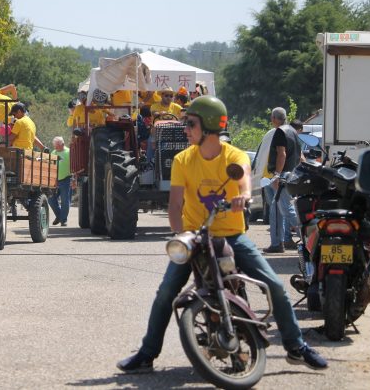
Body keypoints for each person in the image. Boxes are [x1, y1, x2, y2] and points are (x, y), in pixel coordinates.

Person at [116, 96, 328, 373]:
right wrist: (181, 235)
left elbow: (243, 181)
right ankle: (147, 353)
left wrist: (243, 197)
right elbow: (175, 205)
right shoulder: (182, 160)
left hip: (232, 236)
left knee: (275, 286)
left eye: (190, 124)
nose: (185, 129)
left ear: (209, 126)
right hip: (195, 237)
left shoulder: (234, 156)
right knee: (166, 291)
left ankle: (296, 346)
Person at [263, 107, 302, 253]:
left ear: (273, 118)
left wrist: (277, 175)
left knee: (286, 210)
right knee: (275, 210)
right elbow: (299, 155)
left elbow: (282, 154)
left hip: (283, 175)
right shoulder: (292, 131)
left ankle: (311, 236)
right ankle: (277, 244)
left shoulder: (280, 132)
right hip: (292, 174)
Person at [49, 137, 72, 227]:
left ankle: (63, 220)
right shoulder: (53, 153)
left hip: (66, 179)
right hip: (54, 180)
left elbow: (73, 166)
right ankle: (59, 216)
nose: (55, 148)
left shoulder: (69, 152)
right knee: (50, 199)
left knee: (65, 201)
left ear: (62, 144)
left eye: (57, 146)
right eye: (54, 146)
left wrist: (74, 179)